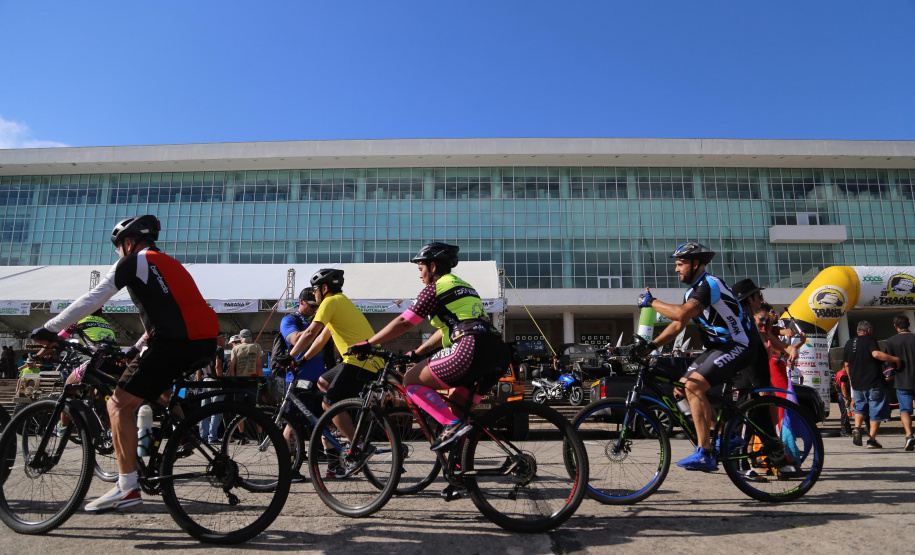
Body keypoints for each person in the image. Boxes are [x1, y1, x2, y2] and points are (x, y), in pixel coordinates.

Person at [30, 214, 218, 512]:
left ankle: (127, 486)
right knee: (150, 391)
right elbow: (172, 315)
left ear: (128, 243)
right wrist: (136, 349)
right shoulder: (171, 264)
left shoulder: (133, 262)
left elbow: (93, 298)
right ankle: (178, 437)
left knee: (118, 404)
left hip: (171, 344)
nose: (118, 254)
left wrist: (49, 329)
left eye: (118, 248)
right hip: (204, 341)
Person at [349, 242, 510, 451]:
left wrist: (368, 343)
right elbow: (445, 331)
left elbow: (404, 322)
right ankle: (460, 473)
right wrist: (416, 353)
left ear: (432, 266)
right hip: (497, 351)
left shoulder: (436, 287)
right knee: (456, 410)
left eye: (421, 268)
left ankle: (451, 426)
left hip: (471, 347)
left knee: (410, 381)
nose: (420, 275)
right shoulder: (463, 285)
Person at [634, 242, 759, 471]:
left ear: (696, 264)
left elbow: (681, 313)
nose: (676, 269)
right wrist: (650, 346)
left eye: (680, 264)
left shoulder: (710, 284)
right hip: (719, 348)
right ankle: (725, 436)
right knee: (680, 390)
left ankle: (705, 453)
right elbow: (678, 324)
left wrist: (651, 302)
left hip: (738, 344)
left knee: (693, 387)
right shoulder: (692, 292)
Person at [286, 268, 379, 476]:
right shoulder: (341, 302)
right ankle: (343, 414)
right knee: (323, 382)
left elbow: (310, 332)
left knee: (327, 402)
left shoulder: (329, 302)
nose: (314, 294)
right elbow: (321, 339)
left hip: (360, 362)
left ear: (324, 288)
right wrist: (302, 360)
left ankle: (360, 447)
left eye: (315, 289)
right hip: (359, 360)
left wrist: (290, 356)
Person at [278, 287, 329, 481]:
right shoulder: (289, 320)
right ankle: (290, 467)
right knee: (292, 425)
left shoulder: (317, 321)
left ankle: (334, 465)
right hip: (299, 380)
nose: (316, 309)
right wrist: (315, 329)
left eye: (318, 306)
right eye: (313, 305)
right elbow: (295, 338)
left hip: (321, 379)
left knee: (325, 422)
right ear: (301, 302)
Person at [842, 320, 900, 449]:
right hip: (874, 382)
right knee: (876, 409)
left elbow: (846, 365)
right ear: (868, 331)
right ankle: (872, 440)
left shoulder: (848, 343)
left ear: (858, 331)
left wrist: (852, 380)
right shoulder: (870, 340)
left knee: (860, 407)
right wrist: (894, 359)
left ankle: (857, 428)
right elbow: (876, 354)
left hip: (857, 383)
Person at [885, 314, 915, 451]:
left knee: (904, 410)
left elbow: (889, 362)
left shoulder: (891, 341)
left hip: (902, 380)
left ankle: (909, 436)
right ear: (909, 325)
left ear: (895, 326)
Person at [196, 331, 227, 444]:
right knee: (216, 411)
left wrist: (199, 382)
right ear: (219, 339)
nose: (225, 341)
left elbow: (198, 367)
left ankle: (202, 436)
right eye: (224, 338)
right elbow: (218, 365)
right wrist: (221, 381)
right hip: (215, 381)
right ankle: (212, 437)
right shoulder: (219, 349)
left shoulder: (204, 349)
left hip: (205, 382)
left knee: (204, 411)